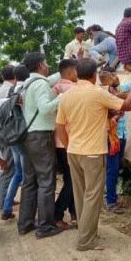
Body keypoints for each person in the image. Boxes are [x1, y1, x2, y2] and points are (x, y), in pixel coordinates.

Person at [55, 58, 131, 251]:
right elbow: (127, 105)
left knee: (80, 195)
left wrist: (69, 145)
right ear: (94, 75)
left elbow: (60, 126)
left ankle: (86, 233)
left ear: (77, 74)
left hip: (74, 152)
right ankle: (86, 241)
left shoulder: (67, 95)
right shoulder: (97, 93)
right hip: (93, 153)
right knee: (92, 196)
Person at [18, 52, 62, 238]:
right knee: (46, 181)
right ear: (39, 65)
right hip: (41, 136)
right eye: (45, 63)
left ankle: (25, 224)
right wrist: (62, 97)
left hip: (27, 136)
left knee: (29, 181)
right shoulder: (41, 85)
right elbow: (45, 108)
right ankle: (45, 226)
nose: (48, 65)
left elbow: (51, 79)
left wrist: (64, 69)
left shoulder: (26, 84)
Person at [99, 69, 131, 213]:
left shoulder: (117, 89)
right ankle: (110, 201)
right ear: (104, 80)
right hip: (113, 137)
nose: (115, 77)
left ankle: (112, 196)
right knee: (112, 169)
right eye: (111, 76)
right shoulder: (105, 93)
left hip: (121, 135)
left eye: (114, 74)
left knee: (116, 167)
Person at [1, 65, 30, 220]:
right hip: (22, 137)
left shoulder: (12, 90)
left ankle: (6, 208)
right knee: (26, 176)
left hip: (12, 136)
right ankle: (26, 213)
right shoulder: (24, 90)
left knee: (18, 173)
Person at [52, 59, 78, 229]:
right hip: (69, 141)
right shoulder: (73, 90)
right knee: (72, 181)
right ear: (70, 72)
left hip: (57, 141)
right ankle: (57, 214)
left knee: (70, 179)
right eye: (77, 70)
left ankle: (75, 214)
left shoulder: (54, 88)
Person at [0, 65, 16, 212]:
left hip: (1, 135)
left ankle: (6, 198)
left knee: (9, 167)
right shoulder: (10, 91)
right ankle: (3, 202)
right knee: (8, 168)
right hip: (7, 134)